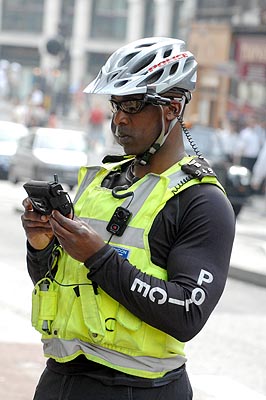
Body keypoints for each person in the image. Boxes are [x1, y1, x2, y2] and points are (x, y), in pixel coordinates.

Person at [21, 37, 235, 400]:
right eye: (115, 105)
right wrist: (40, 248)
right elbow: (58, 283)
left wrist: (98, 256)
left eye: (134, 106)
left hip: (139, 390)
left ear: (172, 107)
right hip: (60, 380)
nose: (119, 119)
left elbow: (187, 313)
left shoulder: (202, 202)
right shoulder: (100, 181)